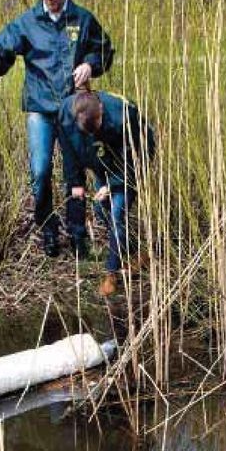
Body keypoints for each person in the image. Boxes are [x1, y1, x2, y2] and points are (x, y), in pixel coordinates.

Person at [0, 0, 115, 259]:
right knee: (40, 170)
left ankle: (77, 235)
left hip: (73, 111)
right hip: (40, 110)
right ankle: (47, 230)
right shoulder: (27, 23)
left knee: (75, 176)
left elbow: (103, 50)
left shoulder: (82, 20)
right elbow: (0, 51)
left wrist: (89, 65)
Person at [57, 89, 156, 297]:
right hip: (102, 166)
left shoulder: (124, 115)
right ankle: (136, 253)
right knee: (101, 211)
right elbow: (68, 148)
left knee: (116, 215)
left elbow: (142, 154)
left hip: (127, 169)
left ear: (100, 109)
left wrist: (112, 184)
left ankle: (111, 274)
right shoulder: (66, 112)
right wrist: (75, 181)